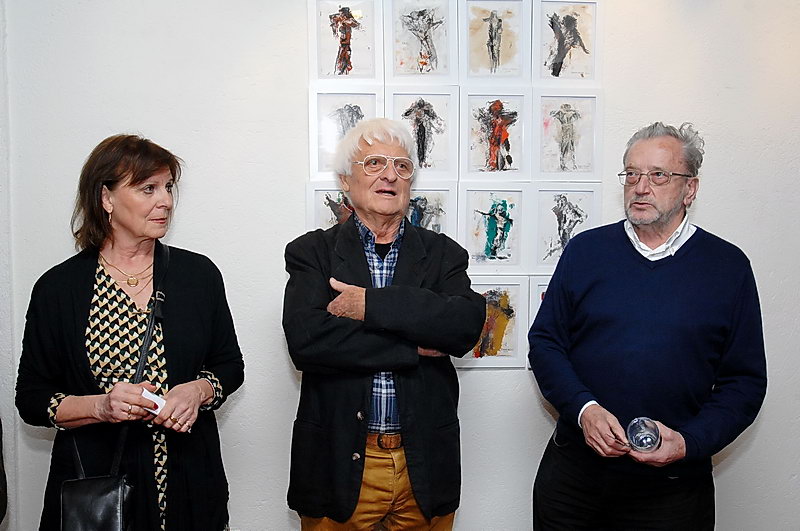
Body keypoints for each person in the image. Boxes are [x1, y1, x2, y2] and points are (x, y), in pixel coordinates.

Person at [528, 122, 767, 530]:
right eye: (632, 174)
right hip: (573, 482)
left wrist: (689, 442)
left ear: (690, 189)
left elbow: (744, 383)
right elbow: (546, 342)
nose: (640, 187)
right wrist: (584, 410)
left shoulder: (728, 267)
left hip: (673, 490)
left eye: (658, 175)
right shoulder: (585, 251)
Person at [16, 134, 244, 530]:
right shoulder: (58, 289)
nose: (166, 201)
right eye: (148, 188)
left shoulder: (198, 275)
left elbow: (229, 365)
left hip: (190, 485)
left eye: (168, 187)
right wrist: (101, 407)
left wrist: (198, 390)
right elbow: (32, 400)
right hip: (100, 494)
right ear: (106, 198)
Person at [283, 118, 485, 530]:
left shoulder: (444, 254)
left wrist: (369, 305)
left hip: (423, 463)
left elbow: (463, 326)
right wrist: (411, 346)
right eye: (374, 163)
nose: (390, 175)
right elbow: (309, 342)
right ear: (345, 181)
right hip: (338, 462)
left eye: (402, 166)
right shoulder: (311, 253)